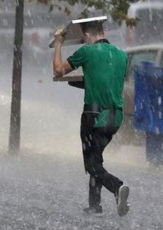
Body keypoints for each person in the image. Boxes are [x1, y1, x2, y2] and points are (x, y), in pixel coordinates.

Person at [52, 20, 130, 217]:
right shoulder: (122, 55)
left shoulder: (87, 52)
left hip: (94, 115)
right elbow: (109, 82)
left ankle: (116, 187)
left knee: (91, 164)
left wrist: (59, 43)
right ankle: (94, 205)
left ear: (87, 35)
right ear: (103, 31)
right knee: (96, 158)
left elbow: (58, 70)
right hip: (115, 117)